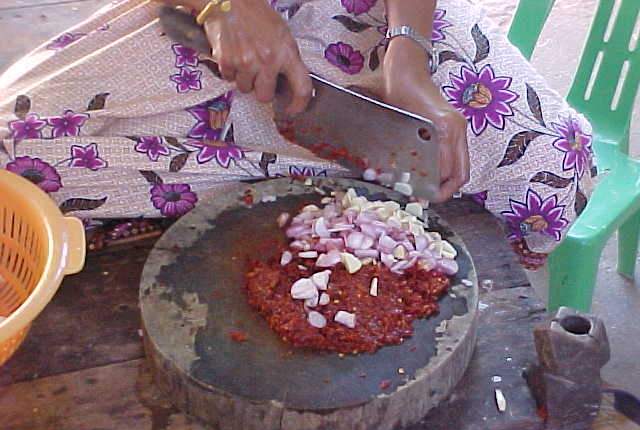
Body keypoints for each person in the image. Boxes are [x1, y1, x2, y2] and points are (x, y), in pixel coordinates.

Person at [0, 0, 596, 273]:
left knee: (555, 163)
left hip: (377, 16)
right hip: (195, 21)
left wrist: (406, 58)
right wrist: (222, 5)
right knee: (16, 156)